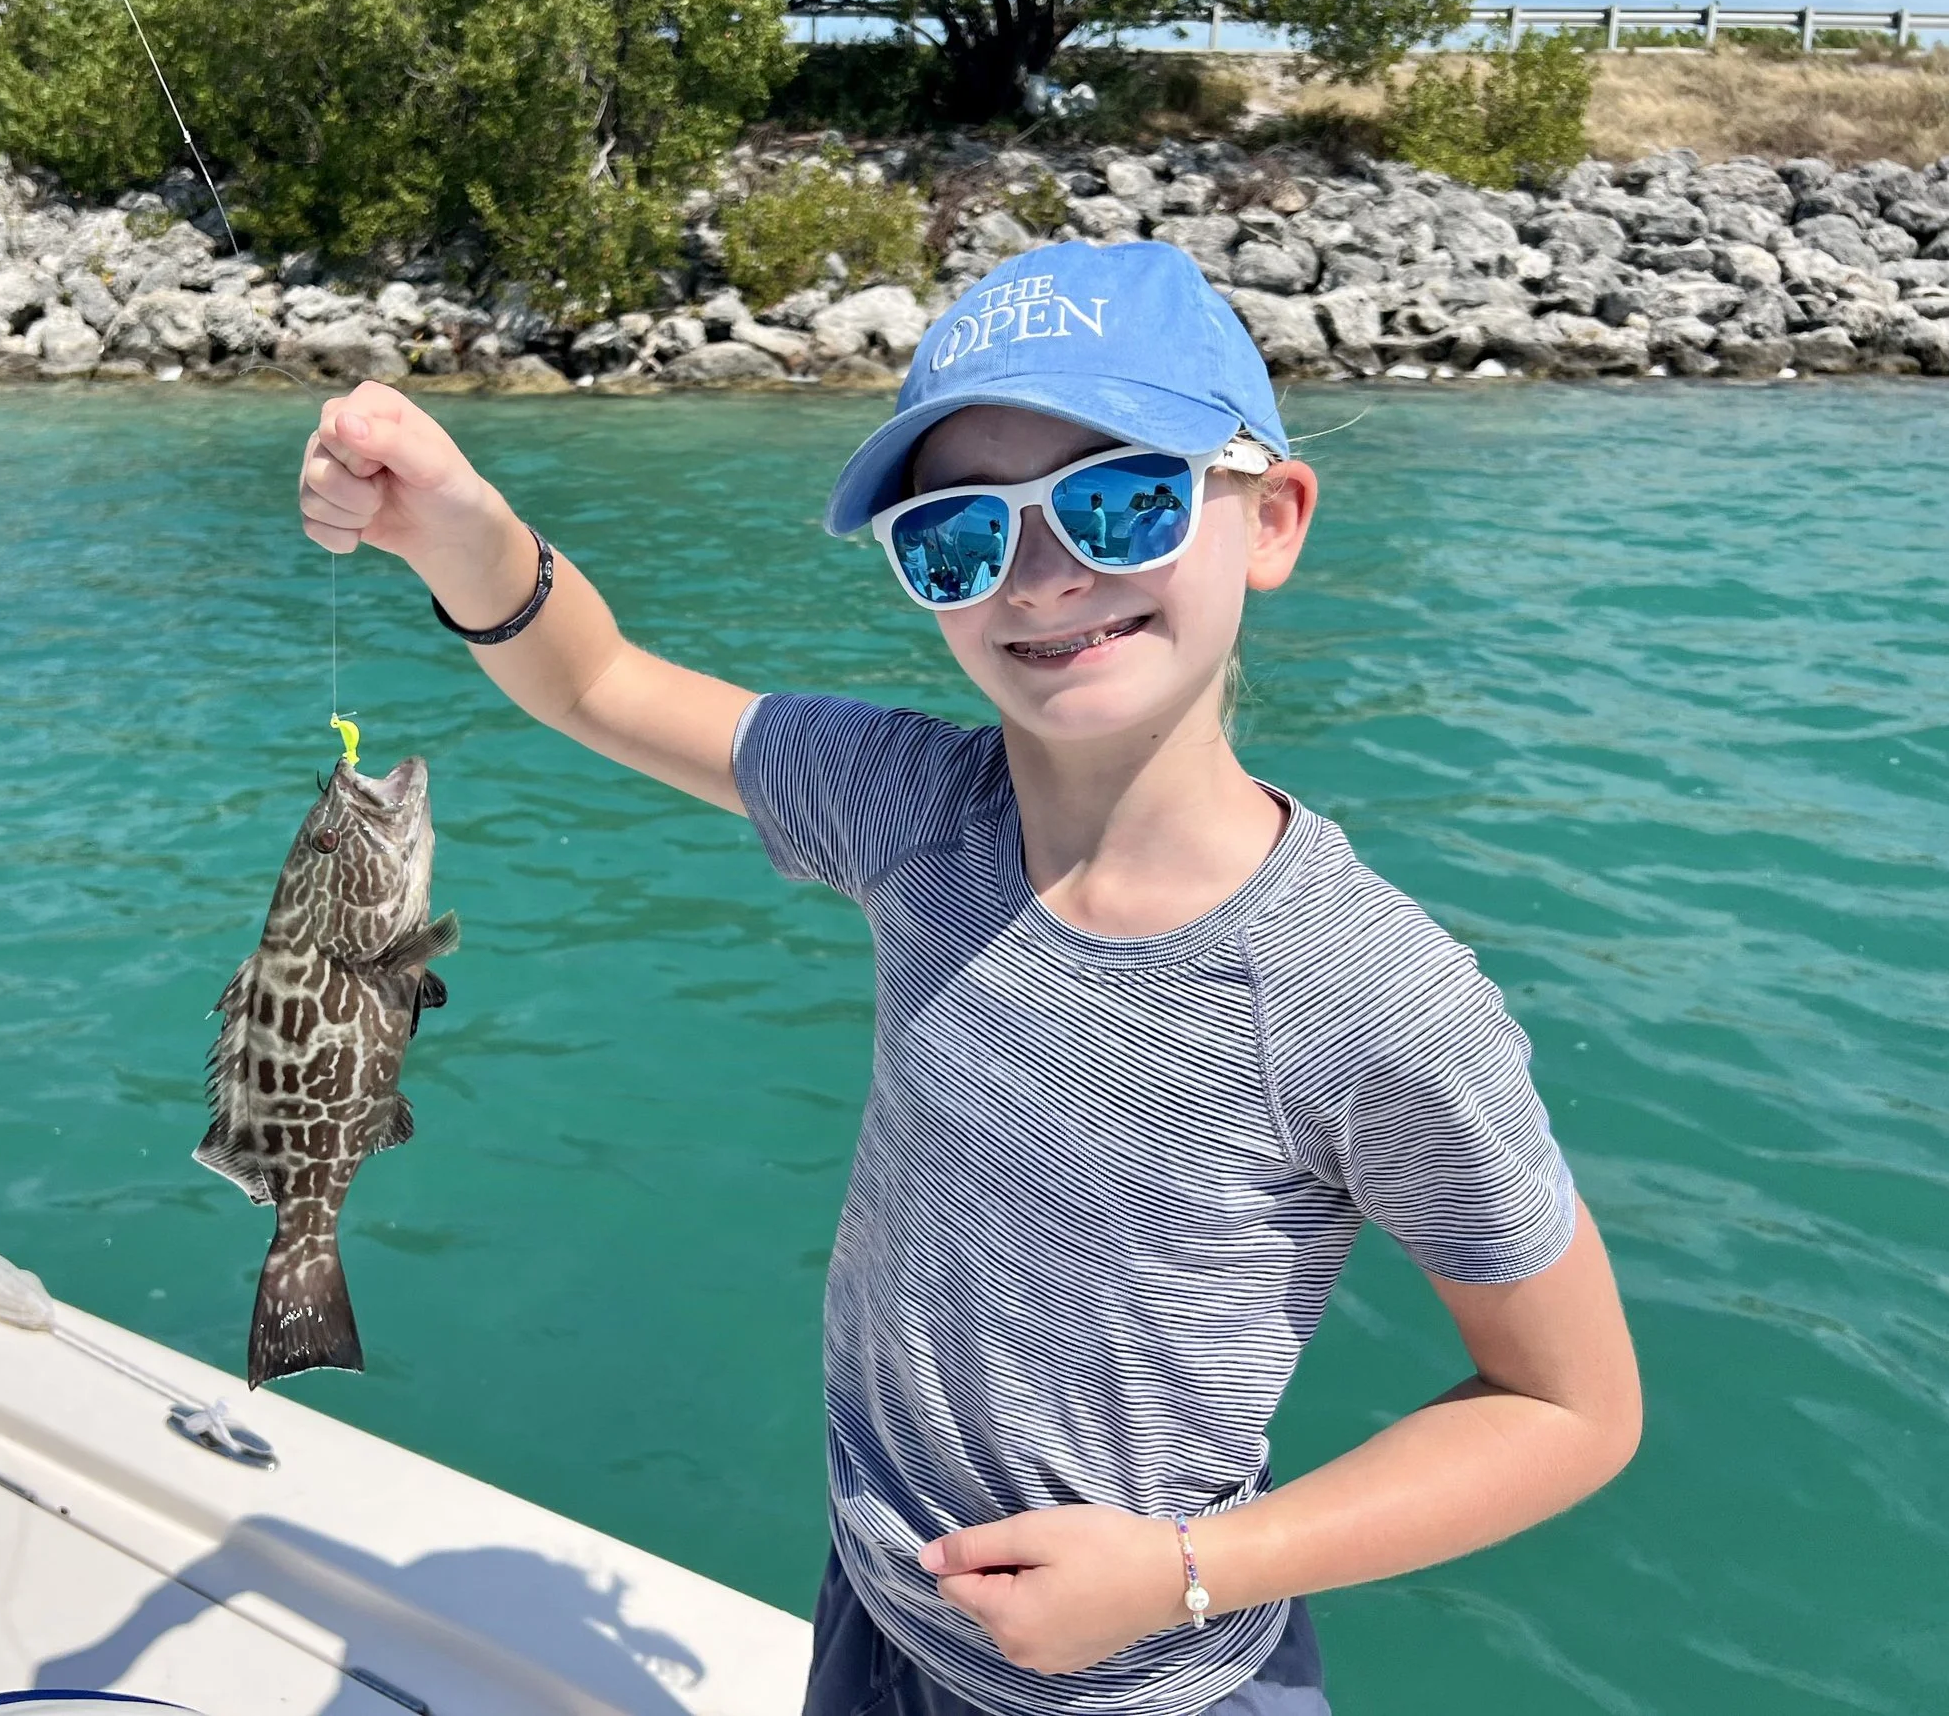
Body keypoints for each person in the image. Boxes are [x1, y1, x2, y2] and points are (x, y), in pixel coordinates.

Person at [297, 240, 1641, 1716]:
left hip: (1147, 1683)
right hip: (877, 1617)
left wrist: (1187, 1569)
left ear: (1271, 518)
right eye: (958, 537)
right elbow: (596, 680)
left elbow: (1571, 1403)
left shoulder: (1369, 993)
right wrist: (456, 526)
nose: (1046, 576)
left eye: (1118, 499)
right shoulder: (910, 809)